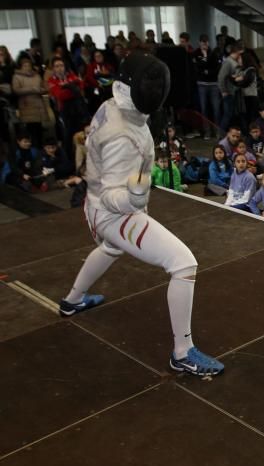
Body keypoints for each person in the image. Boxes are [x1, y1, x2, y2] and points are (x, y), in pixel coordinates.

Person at [58, 53, 224, 377]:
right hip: (111, 212)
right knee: (183, 263)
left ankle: (72, 301)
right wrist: (136, 195)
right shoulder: (123, 136)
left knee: (111, 247)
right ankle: (182, 352)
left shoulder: (114, 105)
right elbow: (111, 194)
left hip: (95, 205)